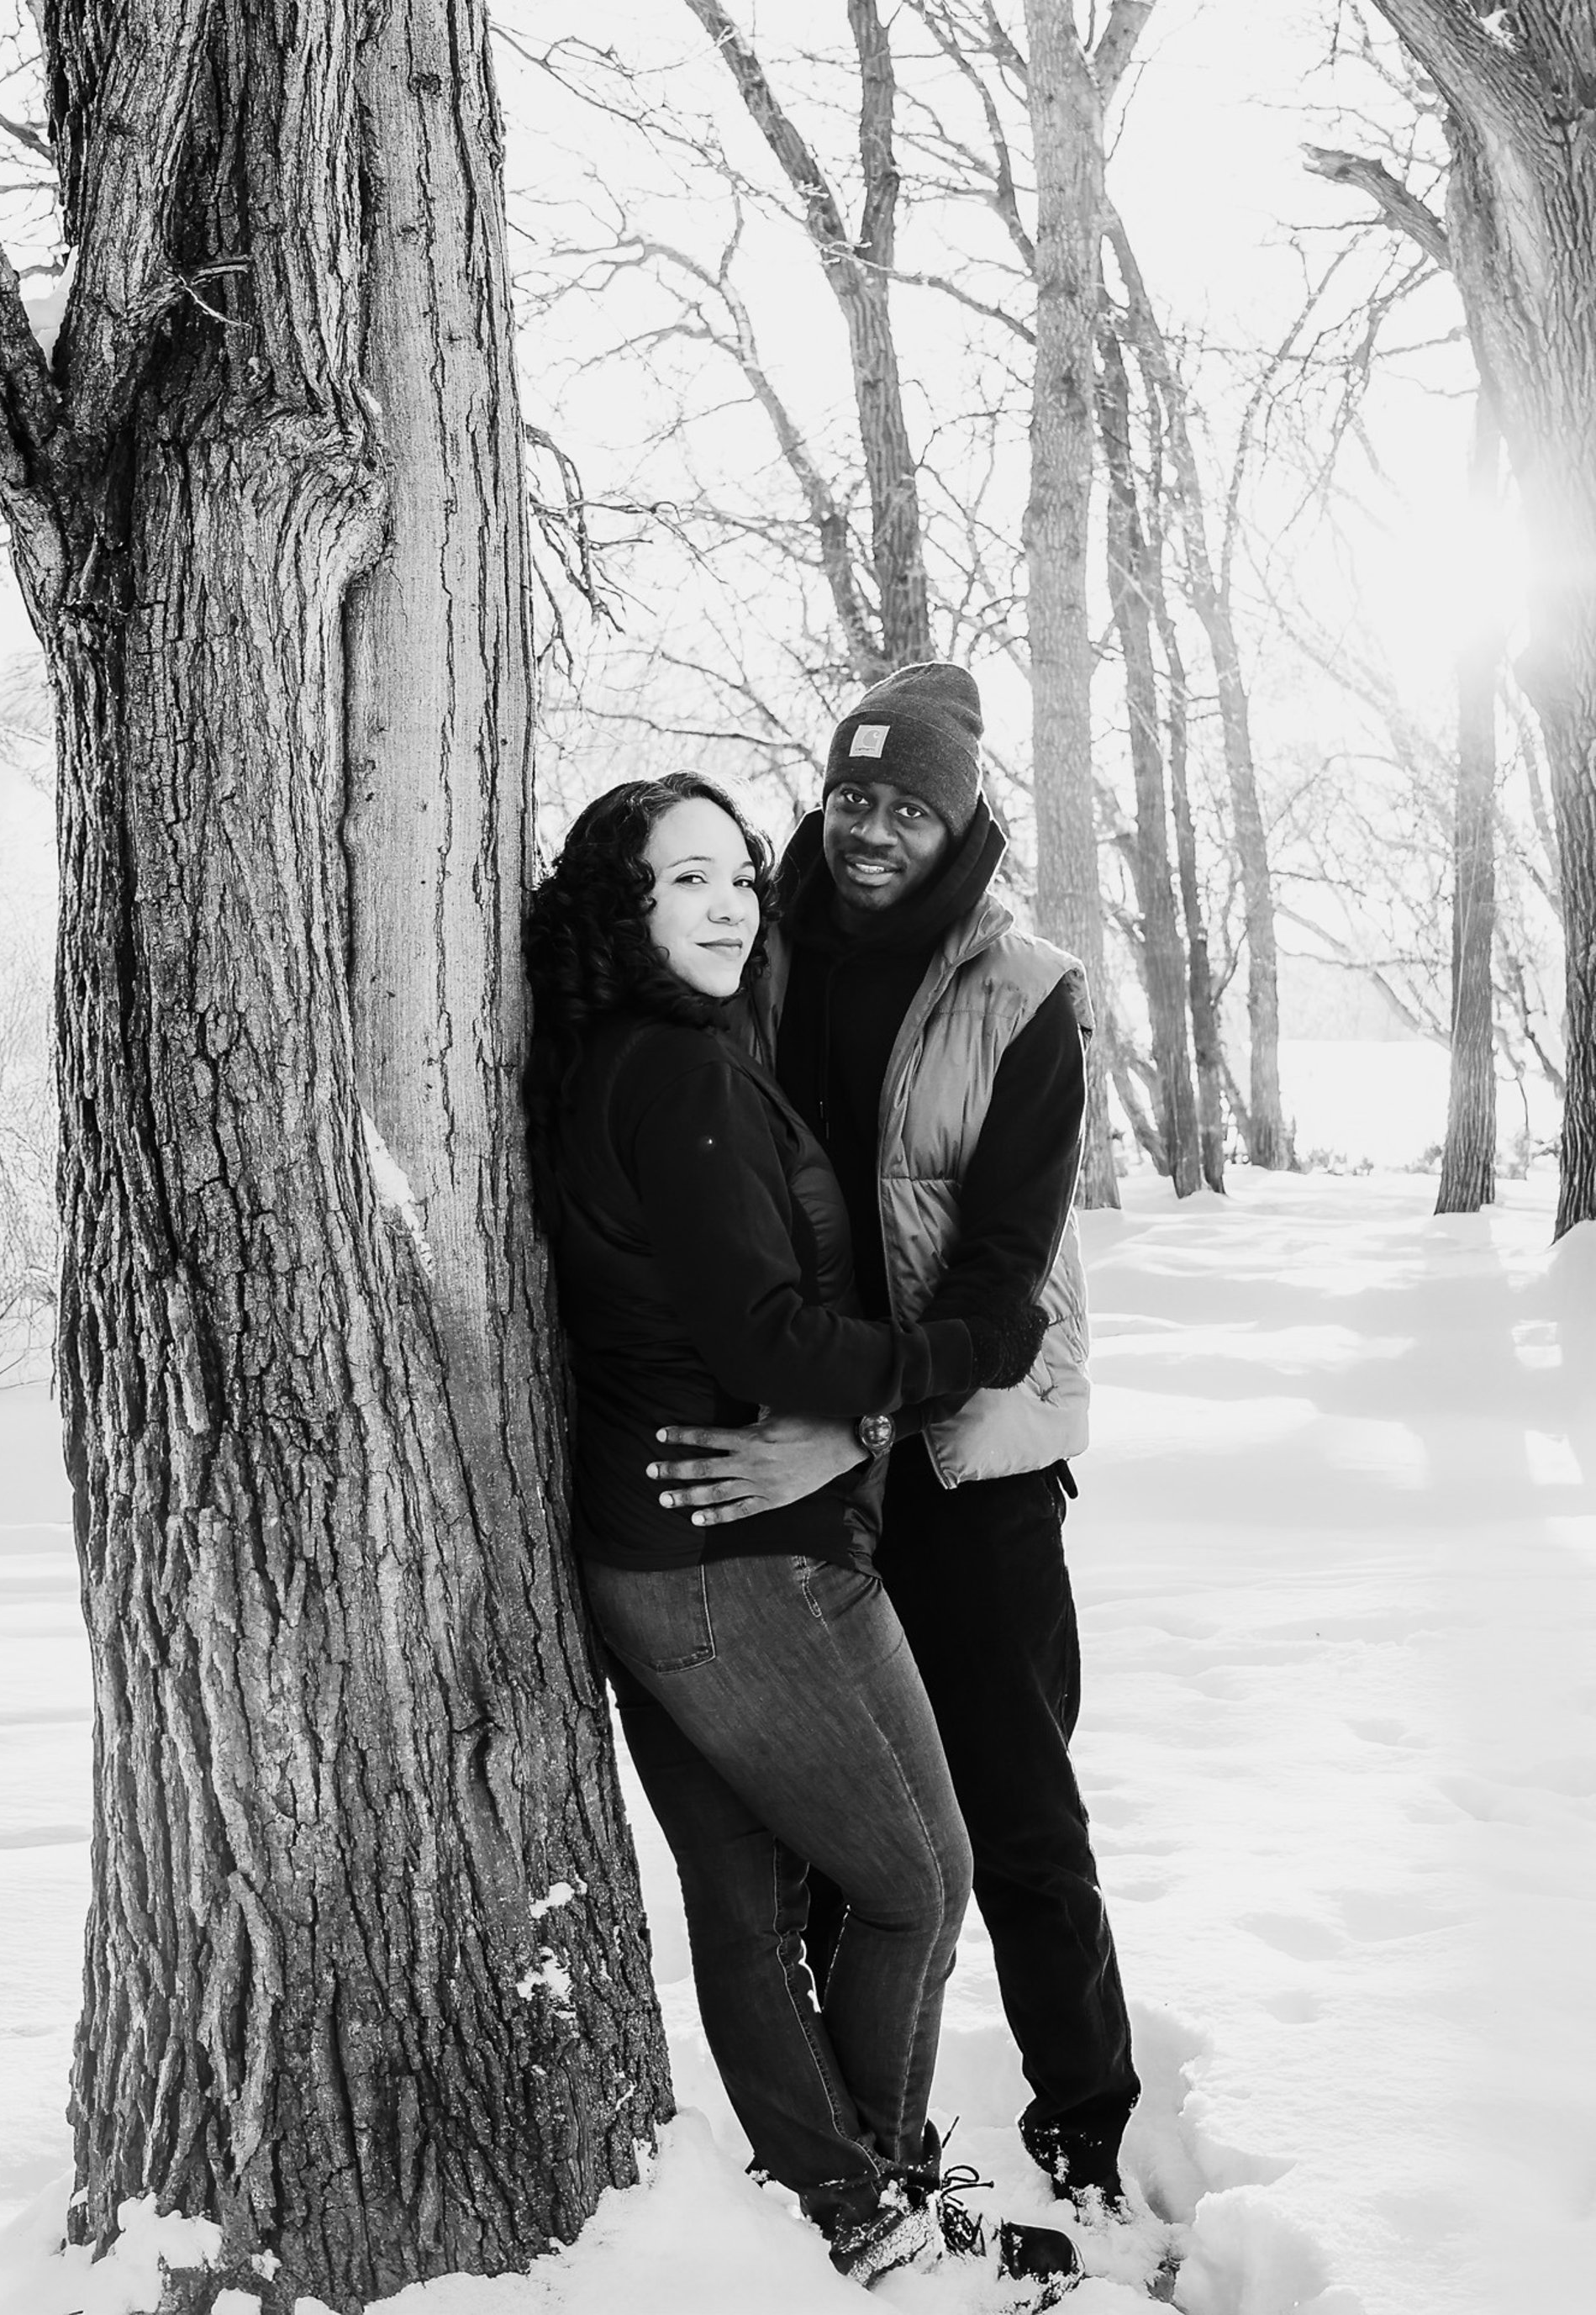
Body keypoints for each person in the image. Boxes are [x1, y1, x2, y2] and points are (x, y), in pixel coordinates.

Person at [522, 771, 1060, 2291]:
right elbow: (767, 1338)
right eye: (683, 879)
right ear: (619, 909)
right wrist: (954, 1358)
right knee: (921, 1881)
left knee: (753, 1910)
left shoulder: (624, 1059)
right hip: (747, 1561)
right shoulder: (680, 1076)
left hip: (657, 1555)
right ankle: (873, 2197)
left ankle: (849, 2215)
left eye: (741, 875)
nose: (727, 904)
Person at [651, 665, 1141, 2213]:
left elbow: (1000, 1300)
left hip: (962, 1463)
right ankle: (849, 2153)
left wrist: (855, 1422)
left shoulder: (1028, 990)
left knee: (1016, 1818)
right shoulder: (759, 945)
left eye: (906, 804)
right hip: (796, 1443)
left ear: (958, 813)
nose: (870, 828)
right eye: (852, 794)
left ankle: (1089, 2141)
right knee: (822, 1828)